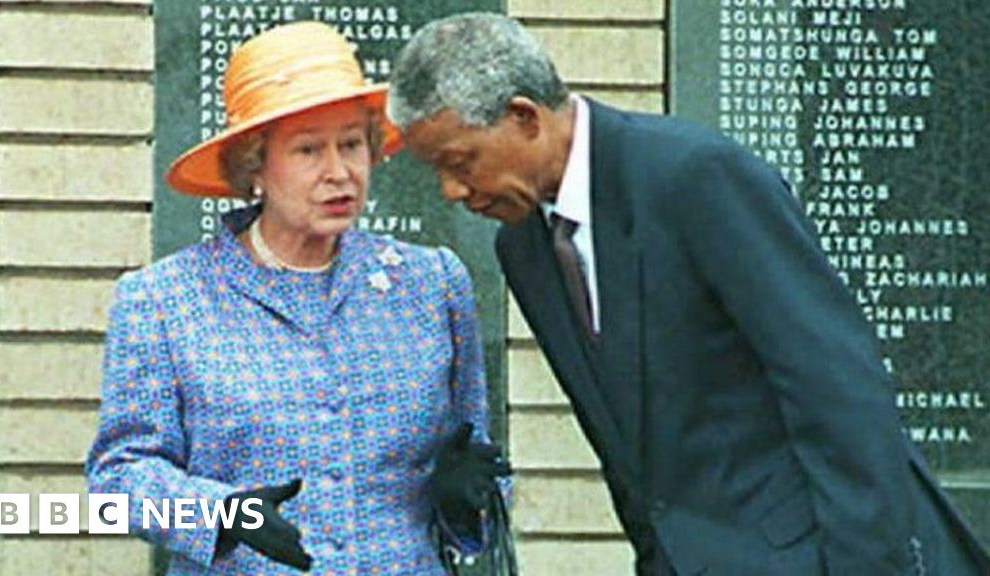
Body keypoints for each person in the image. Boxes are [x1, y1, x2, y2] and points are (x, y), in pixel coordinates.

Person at [385, 12, 990, 576]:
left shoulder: (696, 179)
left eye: (460, 161)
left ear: (525, 117)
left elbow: (838, 390)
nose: (451, 190)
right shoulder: (523, 247)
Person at [86, 21, 506, 576]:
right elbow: (119, 478)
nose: (339, 172)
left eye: (352, 144)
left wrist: (465, 497)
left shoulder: (430, 284)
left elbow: (479, 460)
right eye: (309, 149)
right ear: (254, 164)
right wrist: (220, 514)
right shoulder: (164, 300)